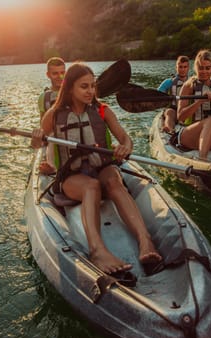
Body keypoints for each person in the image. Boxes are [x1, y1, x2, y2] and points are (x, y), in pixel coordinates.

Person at [31, 62, 162, 275]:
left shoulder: (102, 110)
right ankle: (98, 250)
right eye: (84, 86)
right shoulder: (54, 115)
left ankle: (145, 241)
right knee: (91, 186)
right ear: (70, 88)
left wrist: (124, 148)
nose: (91, 91)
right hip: (72, 176)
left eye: (93, 86)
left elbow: (125, 139)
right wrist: (36, 138)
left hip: (101, 165)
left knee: (113, 180)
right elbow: (38, 145)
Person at [37, 57, 66, 174]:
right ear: (48, 75)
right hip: (54, 135)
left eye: (62, 73)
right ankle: (51, 166)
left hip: (73, 130)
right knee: (53, 135)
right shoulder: (44, 97)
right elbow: (43, 124)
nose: (59, 76)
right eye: (55, 73)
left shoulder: (74, 91)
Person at [157, 55, 190, 133]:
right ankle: (169, 129)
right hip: (173, 109)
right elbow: (157, 95)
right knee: (169, 112)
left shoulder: (193, 82)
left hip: (188, 111)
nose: (182, 69)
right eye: (180, 67)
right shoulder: (168, 82)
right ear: (176, 68)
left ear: (188, 68)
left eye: (185, 67)